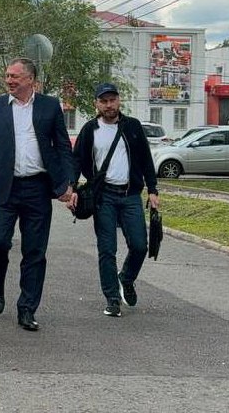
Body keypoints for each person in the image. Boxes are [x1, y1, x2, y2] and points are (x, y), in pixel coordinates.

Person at [0, 58, 74, 331]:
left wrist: (68, 183)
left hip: (37, 188)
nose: (9, 80)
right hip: (2, 188)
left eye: (15, 76)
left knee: (35, 251)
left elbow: (63, 146)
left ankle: (27, 308)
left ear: (31, 80)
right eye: (7, 75)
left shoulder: (49, 106)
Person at [68, 82, 160, 317]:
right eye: (104, 101)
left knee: (140, 245)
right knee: (107, 249)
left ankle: (126, 278)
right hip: (104, 197)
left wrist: (152, 189)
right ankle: (112, 298)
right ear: (96, 104)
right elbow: (76, 160)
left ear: (119, 101)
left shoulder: (133, 126)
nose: (109, 105)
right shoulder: (90, 130)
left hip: (130, 195)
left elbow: (145, 159)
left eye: (112, 100)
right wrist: (72, 188)